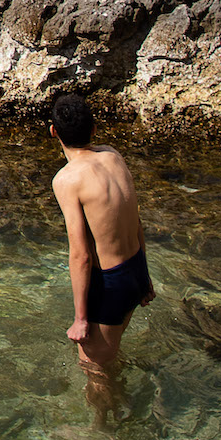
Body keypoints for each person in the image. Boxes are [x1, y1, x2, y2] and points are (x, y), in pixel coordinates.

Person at [49, 91, 152, 380]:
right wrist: (145, 279)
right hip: (134, 270)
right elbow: (135, 219)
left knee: (94, 372)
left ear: (53, 131)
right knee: (109, 359)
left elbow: (80, 254)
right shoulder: (112, 155)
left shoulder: (67, 180)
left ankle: (101, 426)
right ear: (94, 129)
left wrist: (80, 319)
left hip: (111, 285)